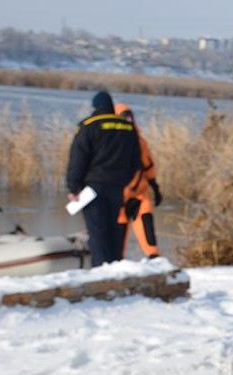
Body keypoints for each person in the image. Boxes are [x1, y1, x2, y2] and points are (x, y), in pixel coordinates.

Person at [66, 91, 141, 267]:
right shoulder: (127, 127)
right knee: (114, 228)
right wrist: (125, 180)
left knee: (97, 229)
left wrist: (73, 187)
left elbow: (78, 158)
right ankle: (115, 264)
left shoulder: (89, 125)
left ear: (95, 106)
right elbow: (136, 161)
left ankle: (100, 268)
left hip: (93, 186)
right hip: (118, 187)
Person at [114, 103, 163, 259]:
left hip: (140, 197)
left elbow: (148, 165)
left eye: (130, 116)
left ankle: (156, 265)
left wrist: (155, 187)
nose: (128, 119)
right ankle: (115, 269)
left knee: (150, 242)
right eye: (124, 116)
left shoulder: (140, 141)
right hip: (119, 199)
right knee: (117, 247)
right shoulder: (110, 142)